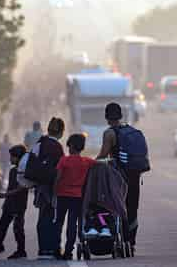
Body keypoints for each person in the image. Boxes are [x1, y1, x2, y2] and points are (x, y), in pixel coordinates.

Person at [97, 102, 141, 254]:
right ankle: (132, 242)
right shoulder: (131, 130)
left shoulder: (109, 133)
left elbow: (103, 155)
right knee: (132, 209)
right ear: (121, 115)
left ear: (106, 117)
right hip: (135, 176)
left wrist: (92, 163)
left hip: (119, 177)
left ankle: (123, 238)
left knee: (118, 207)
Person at [53, 134, 96, 260]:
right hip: (77, 197)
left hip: (62, 196)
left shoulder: (63, 160)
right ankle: (68, 252)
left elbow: (58, 177)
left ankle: (56, 249)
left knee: (58, 223)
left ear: (71, 146)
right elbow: (99, 164)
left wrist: (54, 192)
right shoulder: (87, 161)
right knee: (73, 224)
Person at [29, 117, 65, 259]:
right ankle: (52, 249)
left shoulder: (40, 143)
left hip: (40, 186)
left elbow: (31, 162)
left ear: (49, 129)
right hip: (53, 187)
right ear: (61, 132)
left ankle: (43, 249)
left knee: (42, 217)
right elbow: (61, 169)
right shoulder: (58, 147)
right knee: (53, 218)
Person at [0, 145, 28, 259]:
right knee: (2, 225)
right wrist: (6, 200)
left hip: (19, 204)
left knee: (18, 227)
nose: (10, 159)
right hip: (10, 204)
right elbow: (11, 187)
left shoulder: (23, 171)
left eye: (12, 157)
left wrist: (5, 195)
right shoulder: (12, 171)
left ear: (18, 157)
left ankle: (21, 251)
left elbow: (22, 188)